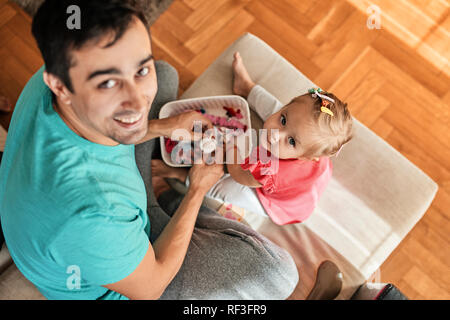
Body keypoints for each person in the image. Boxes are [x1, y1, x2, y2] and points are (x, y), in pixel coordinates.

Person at [0, 0, 298, 300]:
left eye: (140, 70)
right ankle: (167, 197)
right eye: (108, 83)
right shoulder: (90, 214)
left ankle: (160, 197)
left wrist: (163, 127)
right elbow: (151, 288)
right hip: (126, 274)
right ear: (60, 86)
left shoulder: (56, 73)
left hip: (109, 225)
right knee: (277, 272)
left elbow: (130, 113)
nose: (138, 102)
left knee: (164, 74)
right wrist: (196, 190)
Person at [152, 52, 354, 225]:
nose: (274, 135)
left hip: (278, 202)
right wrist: (287, 129)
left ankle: (179, 176)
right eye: (283, 119)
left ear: (307, 157)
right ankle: (246, 88)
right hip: (309, 179)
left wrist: (229, 147)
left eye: (291, 141)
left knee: (224, 189)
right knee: (280, 113)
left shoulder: (269, 169)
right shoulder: (303, 137)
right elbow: (288, 123)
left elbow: (239, 174)